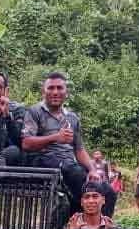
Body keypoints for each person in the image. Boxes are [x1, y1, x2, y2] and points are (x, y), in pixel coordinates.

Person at [21, 72, 115, 216]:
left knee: (108, 192)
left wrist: (91, 169)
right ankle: (78, 225)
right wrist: (55, 137)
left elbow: (79, 149)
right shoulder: (34, 112)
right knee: (79, 182)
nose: (55, 92)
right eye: (51, 88)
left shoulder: (72, 117)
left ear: (66, 92)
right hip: (45, 162)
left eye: (60, 88)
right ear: (43, 91)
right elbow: (26, 143)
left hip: (70, 166)